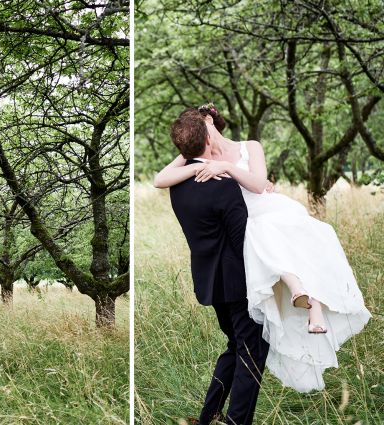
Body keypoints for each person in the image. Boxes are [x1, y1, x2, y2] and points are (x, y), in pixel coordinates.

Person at [156, 104, 371, 393]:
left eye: (205, 125)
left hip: (263, 211)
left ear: (211, 123)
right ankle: (303, 294)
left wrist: (227, 167)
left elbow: (258, 184)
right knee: (260, 243)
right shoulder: (197, 153)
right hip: (242, 225)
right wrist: (198, 163)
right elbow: (160, 179)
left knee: (273, 236)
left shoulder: (249, 147)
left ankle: (311, 299)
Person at [166, 108, 268, 425]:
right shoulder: (223, 183)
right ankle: (236, 422)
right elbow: (242, 240)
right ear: (209, 137)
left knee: (235, 345)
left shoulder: (177, 186)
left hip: (209, 279)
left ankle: (208, 414)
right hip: (238, 281)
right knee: (253, 350)